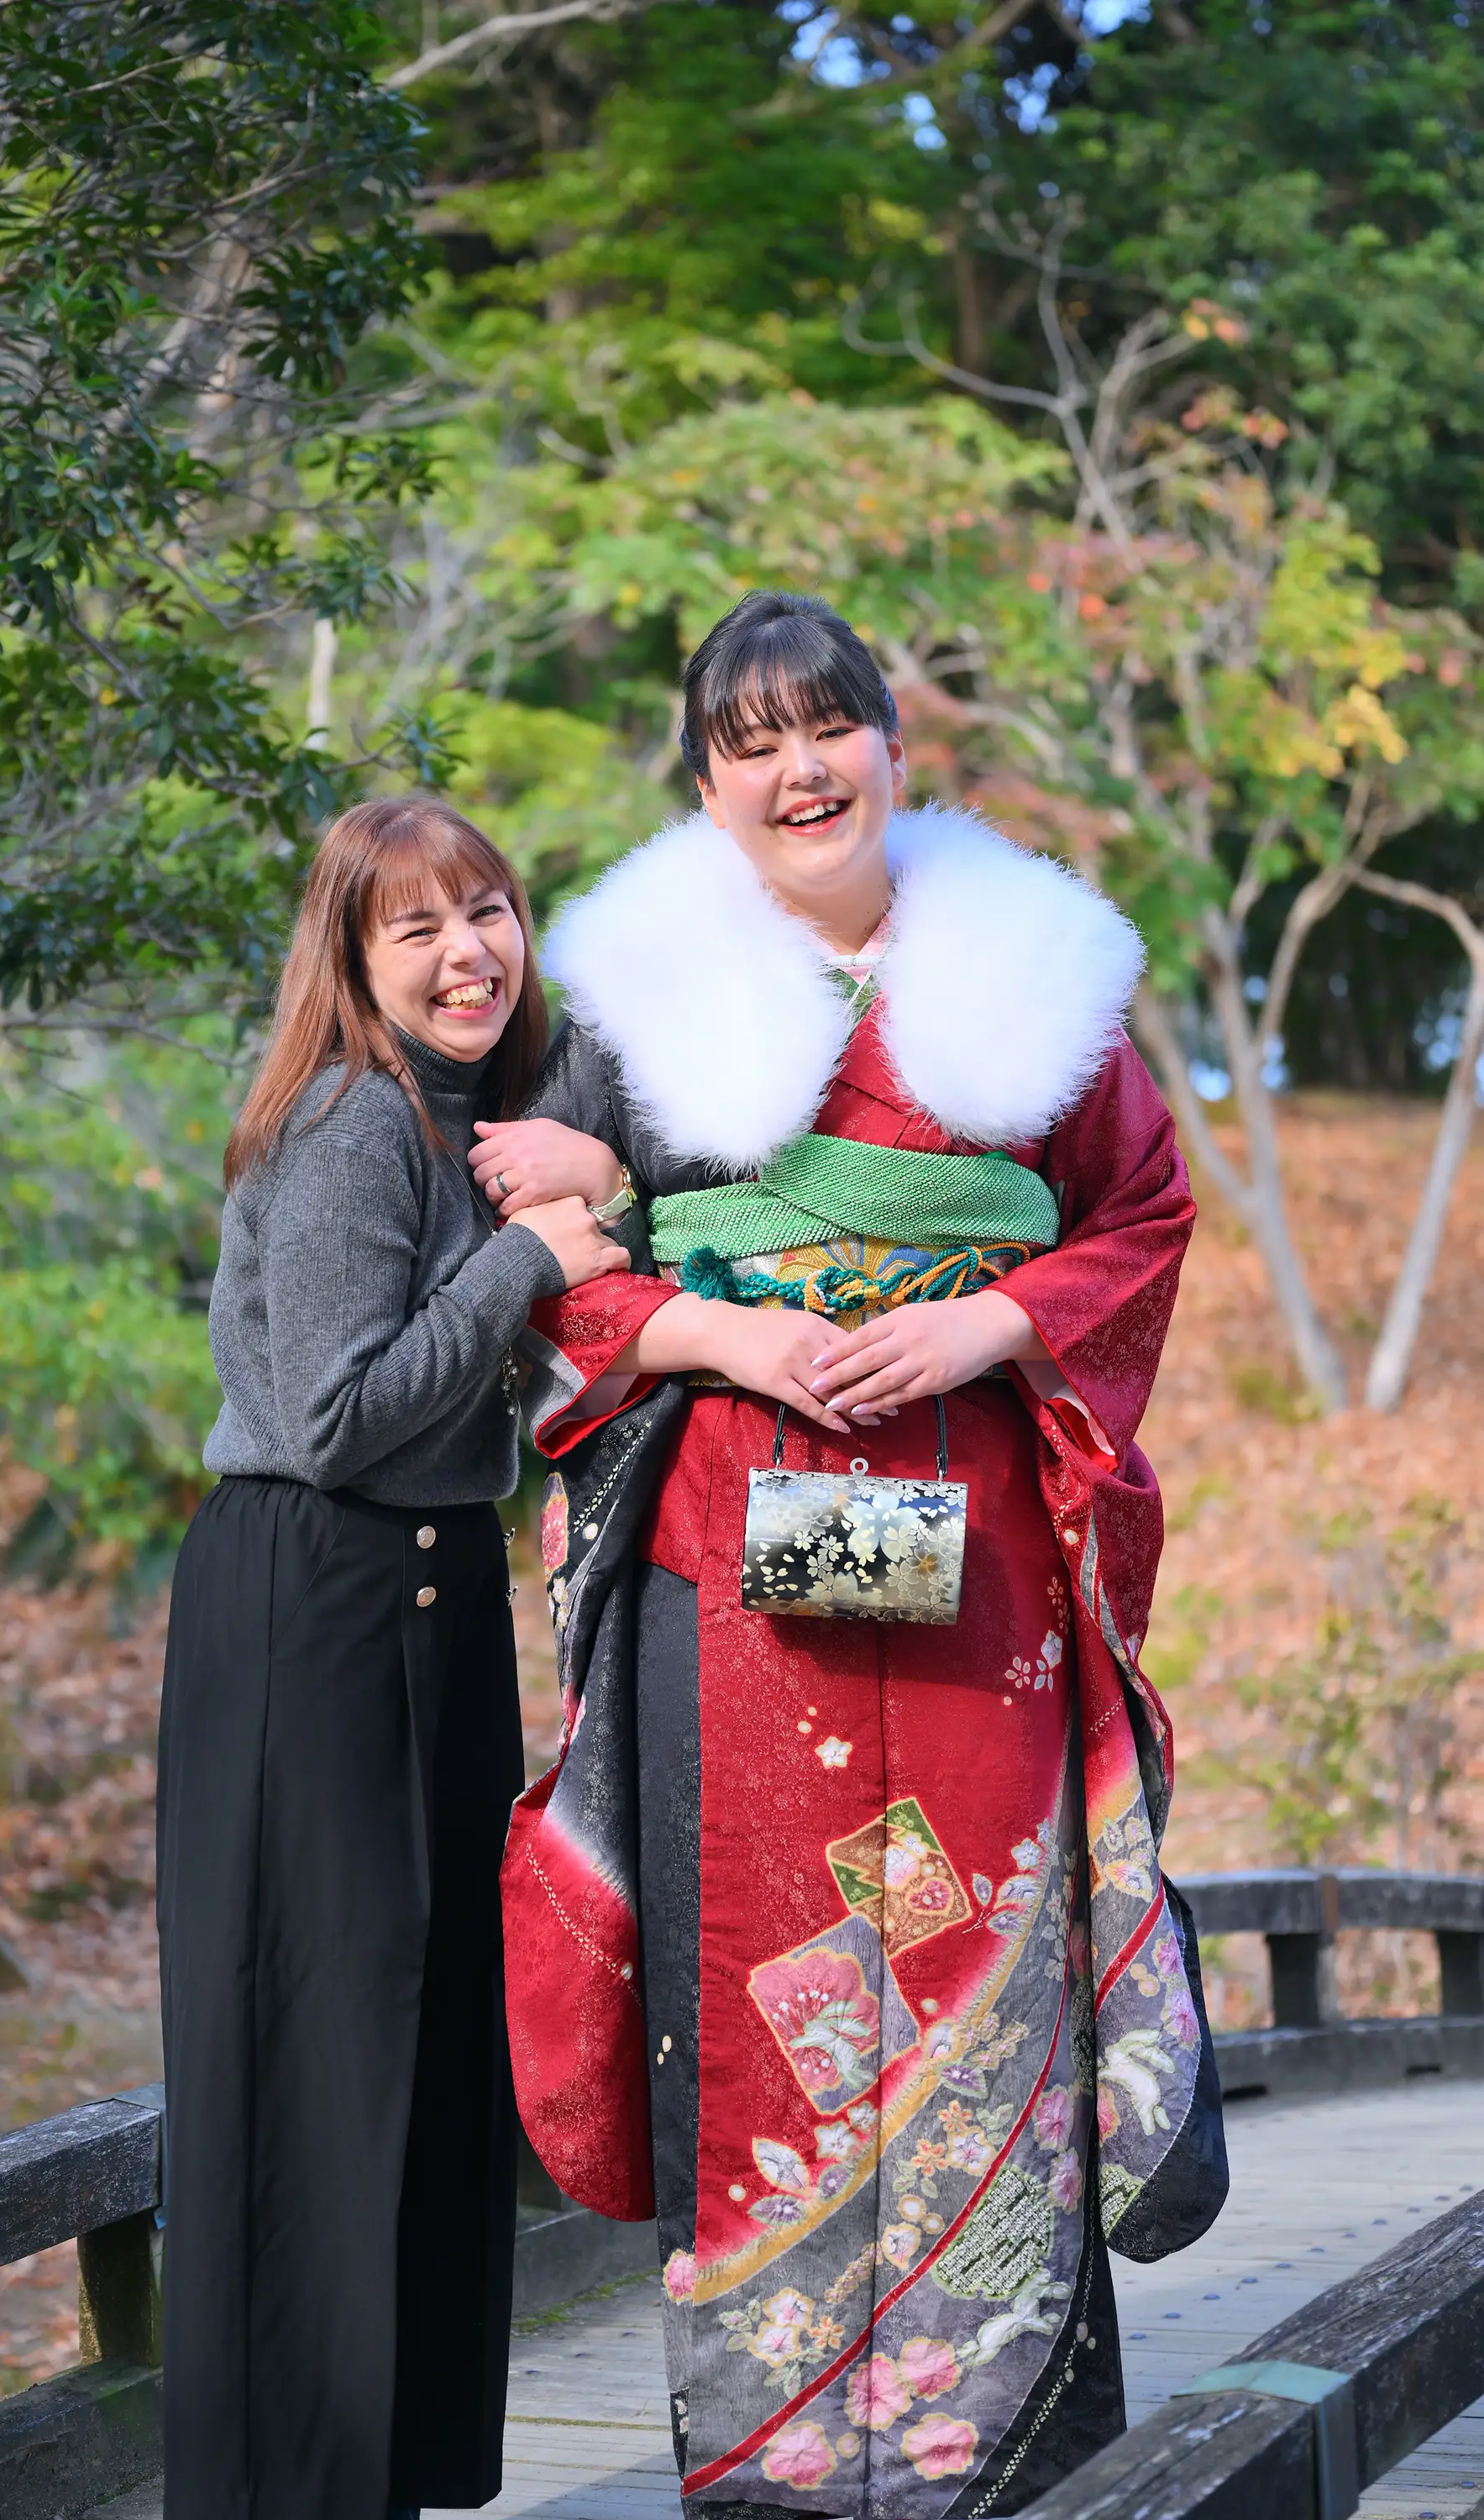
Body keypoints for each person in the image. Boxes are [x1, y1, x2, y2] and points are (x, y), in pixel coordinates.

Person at [476, 593, 1228, 2517]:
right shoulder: (634, 1003)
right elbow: (546, 1271)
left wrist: (988, 1321)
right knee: (759, 1969)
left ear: (894, 747)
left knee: (983, 1941)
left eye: (828, 728)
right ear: (705, 787)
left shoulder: (1031, 977)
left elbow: (1141, 1213)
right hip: (736, 1562)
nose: (798, 771)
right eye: (751, 745)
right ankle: (777, 2458)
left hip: (972, 1556)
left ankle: (1010, 2441)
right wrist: (721, 1335)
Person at [156, 796, 629, 2520]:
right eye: (415, 928)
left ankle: (390, 2471)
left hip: (430, 1602)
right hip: (313, 1598)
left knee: (427, 2043)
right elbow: (337, 1418)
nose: (466, 955)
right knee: (315, 2044)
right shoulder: (355, 1120)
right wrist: (527, 1260)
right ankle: (287, 2484)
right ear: (352, 962)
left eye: (488, 911)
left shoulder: (480, 1111)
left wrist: (591, 1184)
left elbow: (631, 1087)